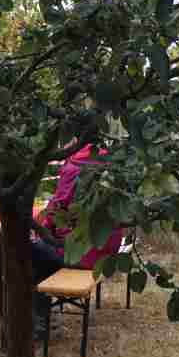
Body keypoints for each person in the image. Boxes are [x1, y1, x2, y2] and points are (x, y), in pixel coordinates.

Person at [29, 145, 125, 340]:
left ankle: (37, 323)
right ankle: (41, 319)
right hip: (106, 252)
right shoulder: (113, 162)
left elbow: (57, 208)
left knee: (31, 251)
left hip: (81, 255)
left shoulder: (74, 165)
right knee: (43, 252)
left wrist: (42, 229)